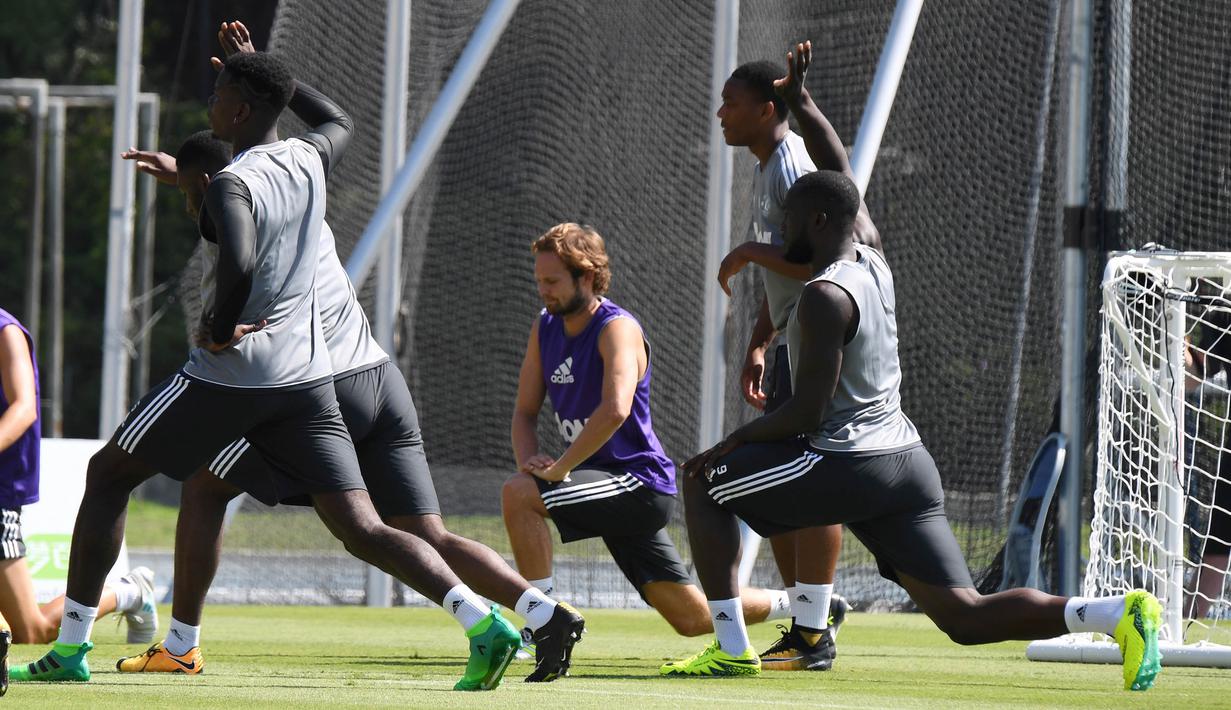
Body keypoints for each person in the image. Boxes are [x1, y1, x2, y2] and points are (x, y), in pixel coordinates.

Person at [13, 48, 522, 692]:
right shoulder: (308, 157)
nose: (211, 102)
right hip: (308, 379)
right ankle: (484, 624)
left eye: (220, 91)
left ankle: (70, 651)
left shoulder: (234, 182)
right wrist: (263, 74)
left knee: (108, 473)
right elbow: (337, 119)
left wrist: (219, 328)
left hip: (236, 375)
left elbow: (242, 260)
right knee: (364, 528)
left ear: (241, 109)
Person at [661, 168, 1163, 692]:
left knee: (702, 480)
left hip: (851, 462)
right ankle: (1116, 614)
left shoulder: (822, 296)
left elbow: (807, 414)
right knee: (964, 616)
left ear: (817, 220)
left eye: (787, 222)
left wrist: (734, 441)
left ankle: (731, 649)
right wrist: (802, 104)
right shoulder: (874, 260)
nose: (781, 233)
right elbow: (843, 181)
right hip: (908, 463)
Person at [503, 223, 794, 639]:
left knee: (518, 494)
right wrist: (531, 462)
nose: (543, 290)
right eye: (539, 281)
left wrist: (557, 470)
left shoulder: (615, 328)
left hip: (636, 484)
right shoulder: (544, 327)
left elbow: (616, 410)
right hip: (595, 481)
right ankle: (801, 605)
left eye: (552, 281)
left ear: (586, 276)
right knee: (691, 618)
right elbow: (523, 412)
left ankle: (543, 627)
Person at [713, 46, 868, 669]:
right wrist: (759, 339)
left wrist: (748, 251)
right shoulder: (765, 167)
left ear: (767, 109)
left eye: (732, 103)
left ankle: (814, 622)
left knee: (813, 482)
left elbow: (817, 263)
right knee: (777, 491)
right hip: (791, 343)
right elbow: (788, 280)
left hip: (819, 349)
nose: (721, 113)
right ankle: (812, 614)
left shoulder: (790, 166)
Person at [0, 306, 158, 651]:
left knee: (31, 631)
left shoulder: (4, 331)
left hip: (0, 494)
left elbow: (24, 408)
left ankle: (127, 592)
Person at [1184, 304, 1231, 622]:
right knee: (1218, 542)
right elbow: (1191, 379)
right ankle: (1182, 627)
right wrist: (1175, 333)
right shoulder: (1226, 314)